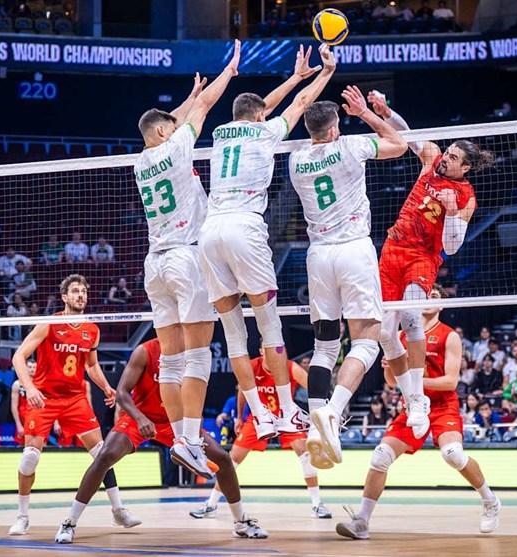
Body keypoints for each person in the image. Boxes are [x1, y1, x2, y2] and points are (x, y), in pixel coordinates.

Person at [198, 44, 334, 443]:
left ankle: (259, 415)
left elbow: (263, 107)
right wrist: (324, 73)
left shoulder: (221, 133)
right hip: (244, 226)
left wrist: (293, 78)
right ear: (260, 117)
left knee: (233, 334)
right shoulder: (266, 130)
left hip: (210, 230)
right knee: (268, 323)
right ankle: (288, 411)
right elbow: (301, 105)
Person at [134, 46, 241, 480]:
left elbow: (169, 120)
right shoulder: (176, 146)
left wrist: (188, 98)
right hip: (185, 255)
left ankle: (180, 439)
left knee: (170, 361)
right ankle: (192, 440)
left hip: (154, 264)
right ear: (165, 132)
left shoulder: (141, 160)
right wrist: (227, 72)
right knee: (199, 355)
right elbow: (205, 108)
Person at [366, 89, 495, 444]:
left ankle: (418, 399)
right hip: (392, 249)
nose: (446, 158)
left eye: (453, 158)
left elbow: (451, 247)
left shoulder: (467, 197)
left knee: (411, 317)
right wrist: (385, 112)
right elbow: (408, 136)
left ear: (465, 168)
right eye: (448, 152)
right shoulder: (432, 158)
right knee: (384, 333)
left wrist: (451, 212)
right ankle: (413, 397)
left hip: (422, 258)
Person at [288, 85, 406, 469]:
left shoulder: (296, 160)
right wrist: (366, 114)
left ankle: (316, 426)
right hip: (353, 249)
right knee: (368, 342)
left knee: (324, 346)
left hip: (318, 255)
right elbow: (399, 144)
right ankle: (333, 411)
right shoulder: (351, 146)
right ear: (335, 127)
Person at [54, 338, 269, 543]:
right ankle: (69, 522)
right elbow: (122, 393)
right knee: (105, 456)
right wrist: (140, 418)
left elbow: (195, 395)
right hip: (140, 417)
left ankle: (241, 522)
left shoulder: (194, 352)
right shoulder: (145, 351)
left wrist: (195, 423)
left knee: (222, 457)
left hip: (175, 421)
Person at [335, 285, 500, 540]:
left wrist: (412, 382)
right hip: (411, 407)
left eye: (435, 296)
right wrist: (389, 369)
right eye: (425, 295)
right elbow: (392, 381)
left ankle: (490, 500)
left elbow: (451, 382)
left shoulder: (449, 336)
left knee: (453, 454)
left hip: (442, 406)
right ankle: (362, 521)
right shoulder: (400, 336)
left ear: (442, 305)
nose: (428, 299)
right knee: (380, 457)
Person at [7, 274, 140, 536]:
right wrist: (30, 388)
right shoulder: (49, 324)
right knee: (30, 458)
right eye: (76, 291)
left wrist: (106, 387)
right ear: (64, 297)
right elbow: (18, 357)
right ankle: (22, 516)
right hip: (45, 398)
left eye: (84, 291)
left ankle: (118, 510)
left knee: (102, 453)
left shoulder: (92, 330)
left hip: (75, 398)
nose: (81, 295)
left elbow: (92, 365)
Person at [190, 346, 332, 520]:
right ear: (262, 351)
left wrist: (325, 410)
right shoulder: (252, 366)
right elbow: (243, 392)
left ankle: (317, 504)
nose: (275, 351)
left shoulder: (291, 367)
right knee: (232, 459)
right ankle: (211, 504)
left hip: (286, 416)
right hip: (259, 417)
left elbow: (314, 389)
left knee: (305, 454)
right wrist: (239, 418)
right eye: (269, 348)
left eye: (279, 349)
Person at [11, 358, 37, 446]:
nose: (32, 369)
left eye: (34, 367)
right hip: (23, 420)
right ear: (25, 368)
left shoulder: (41, 384)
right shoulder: (18, 384)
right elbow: (14, 406)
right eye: (30, 367)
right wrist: (18, 425)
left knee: (40, 446)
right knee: (22, 447)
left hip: (38, 420)